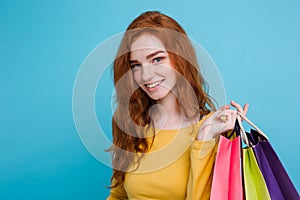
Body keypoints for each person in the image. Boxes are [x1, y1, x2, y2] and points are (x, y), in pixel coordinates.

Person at [107, 11, 248, 199]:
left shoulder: (215, 129)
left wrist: (203, 139)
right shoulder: (130, 123)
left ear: (180, 58)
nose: (146, 75)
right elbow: (118, 196)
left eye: (157, 59)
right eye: (136, 65)